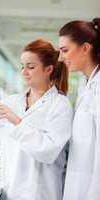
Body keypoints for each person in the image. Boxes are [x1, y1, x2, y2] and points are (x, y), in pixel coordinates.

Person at [0, 39, 72, 200]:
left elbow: (48, 151)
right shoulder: (12, 101)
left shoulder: (60, 105)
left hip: (41, 194)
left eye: (31, 67)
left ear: (48, 69)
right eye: (22, 66)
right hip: (11, 190)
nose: (24, 71)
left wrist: (16, 121)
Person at [59, 18, 100, 200]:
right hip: (78, 186)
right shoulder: (85, 84)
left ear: (85, 48)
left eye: (65, 50)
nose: (61, 58)